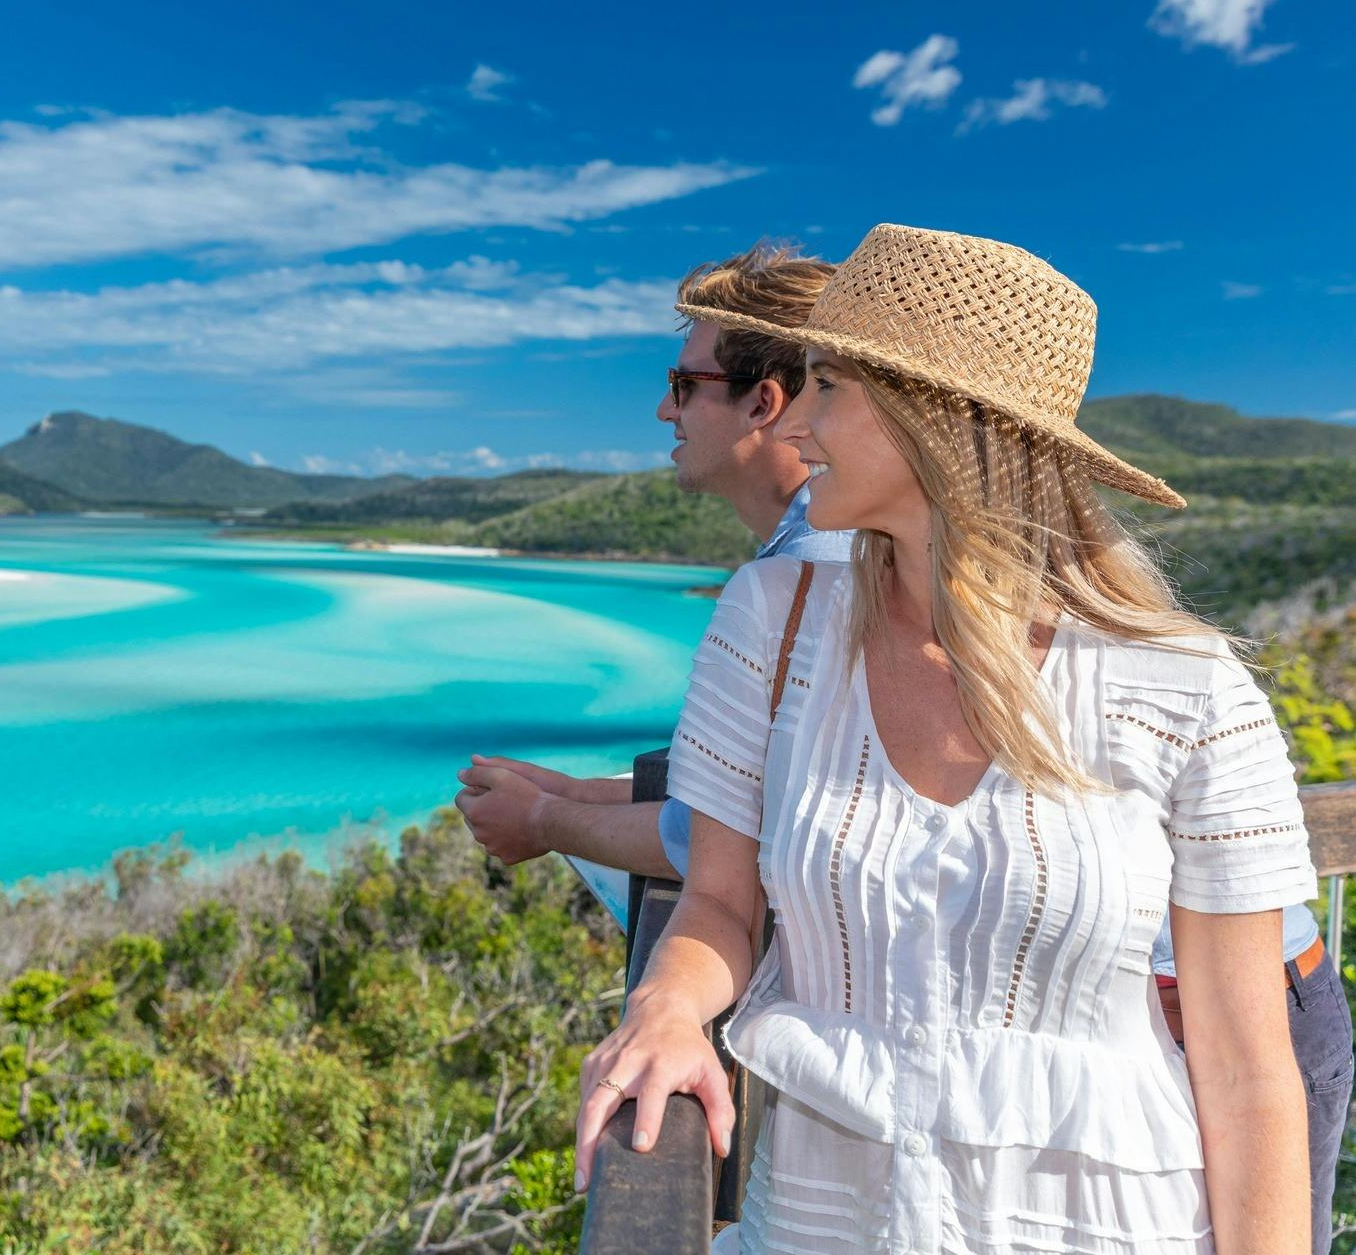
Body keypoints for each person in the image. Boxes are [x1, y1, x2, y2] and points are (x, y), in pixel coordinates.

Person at [571, 223, 1333, 1254]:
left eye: (828, 385)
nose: (802, 423)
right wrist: (665, 1006)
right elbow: (717, 902)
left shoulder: (1187, 688)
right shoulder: (771, 622)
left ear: (935, 418)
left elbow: (1248, 1072)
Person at [455, 242, 852, 878]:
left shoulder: (815, 570)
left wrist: (542, 820)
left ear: (762, 404)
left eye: (685, 385)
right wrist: (573, 792)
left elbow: (729, 842)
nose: (665, 409)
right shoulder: (818, 548)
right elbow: (746, 794)